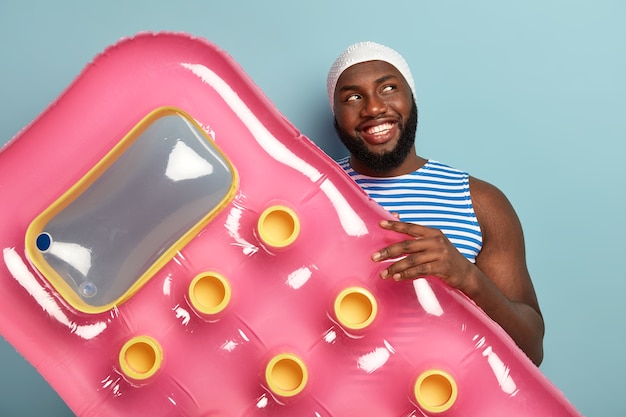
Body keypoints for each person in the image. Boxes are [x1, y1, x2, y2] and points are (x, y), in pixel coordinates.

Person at [326, 41, 544, 366]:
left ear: (412, 100)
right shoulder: (317, 191)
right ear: (336, 114)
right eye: (353, 97)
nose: (372, 108)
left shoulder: (480, 201)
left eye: (388, 88)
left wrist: (468, 278)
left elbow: (531, 350)